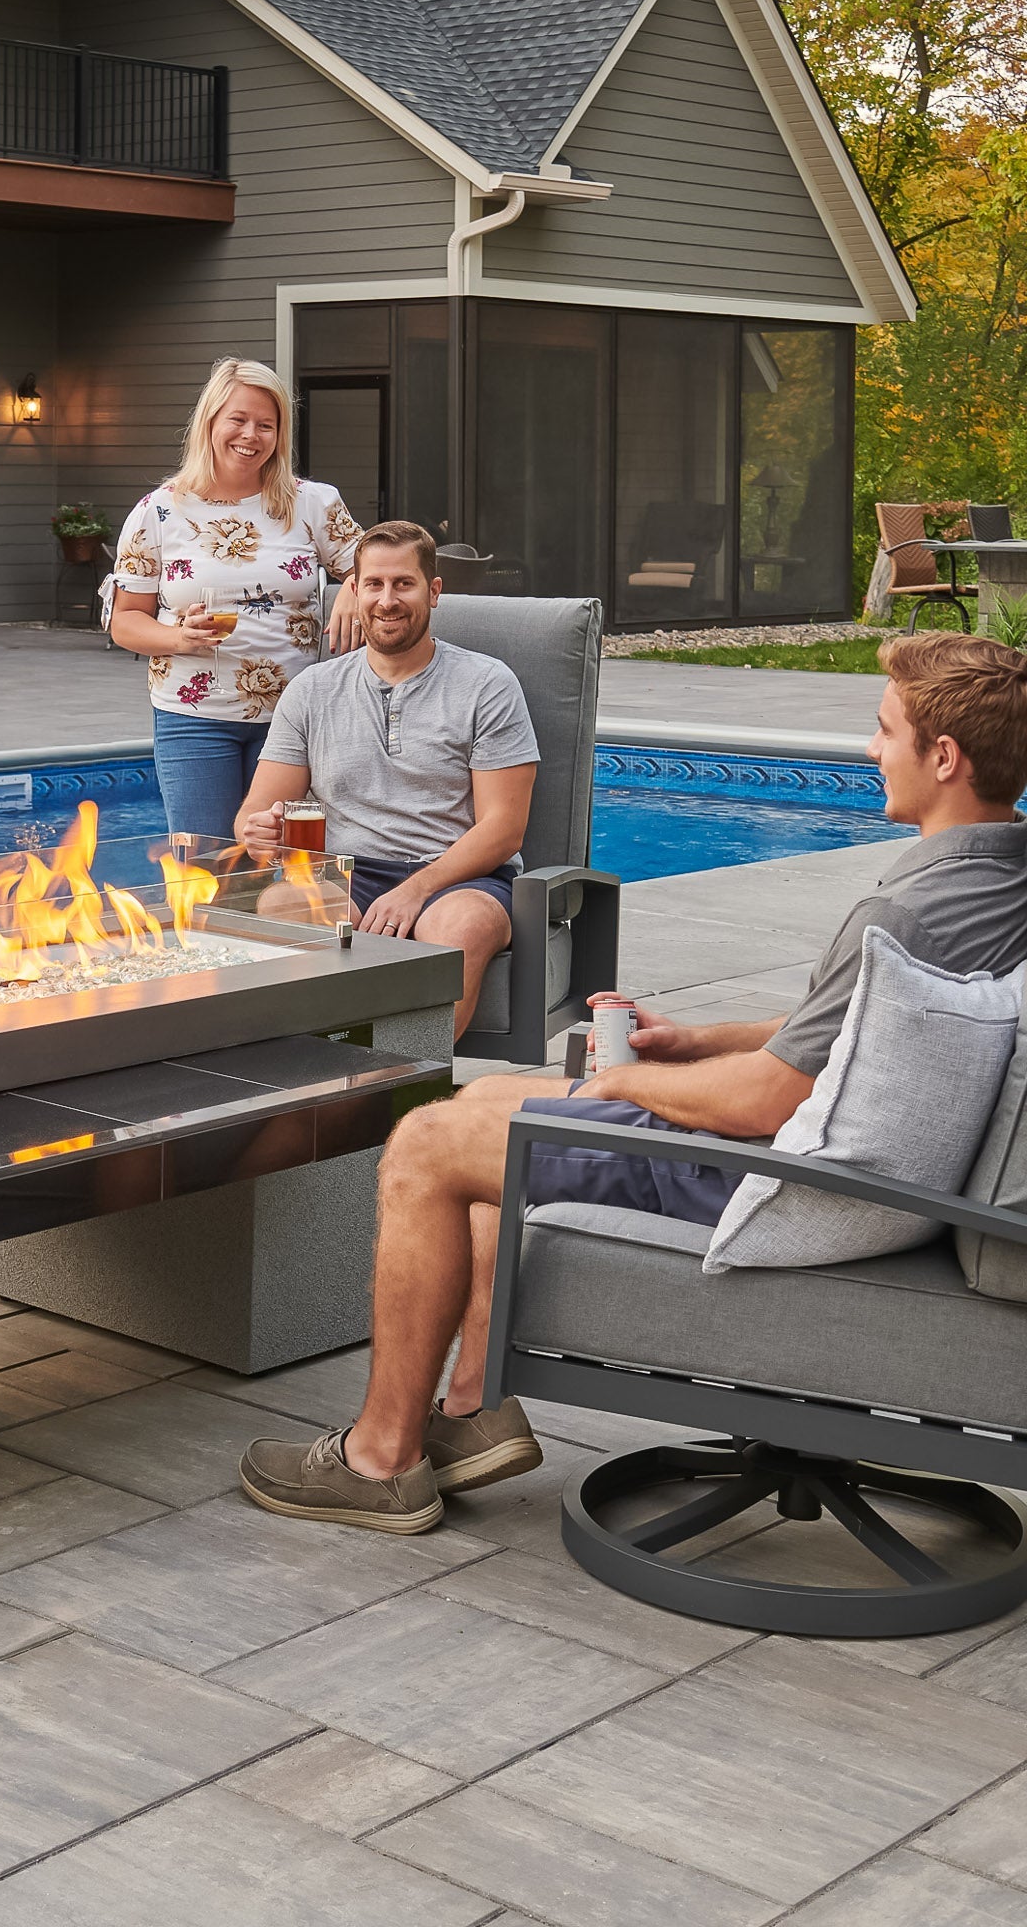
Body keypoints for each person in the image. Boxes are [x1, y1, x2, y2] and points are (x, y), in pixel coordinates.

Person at [239, 630, 1027, 1535]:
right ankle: (470, 1410)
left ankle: (379, 1459)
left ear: (944, 756)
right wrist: (695, 1041)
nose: (868, 748)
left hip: (794, 1187)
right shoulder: (1000, 874)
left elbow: (766, 1099)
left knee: (427, 1141)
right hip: (869, 1168)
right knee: (489, 1109)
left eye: (883, 730)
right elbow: (869, 1031)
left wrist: (632, 1090)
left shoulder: (904, 911)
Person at [235, 519, 538, 1039]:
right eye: (373, 584)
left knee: (459, 925)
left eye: (404, 584)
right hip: (344, 872)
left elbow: (504, 828)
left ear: (434, 591)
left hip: (459, 876)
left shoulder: (487, 685)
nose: (387, 600)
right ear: (354, 591)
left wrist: (416, 889)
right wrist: (258, 831)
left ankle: (400, 1088)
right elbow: (256, 813)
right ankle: (319, 1087)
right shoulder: (312, 690)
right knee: (284, 904)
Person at [107, 357, 365, 840]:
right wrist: (177, 637)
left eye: (266, 425)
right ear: (210, 422)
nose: (251, 435)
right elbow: (125, 621)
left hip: (295, 718)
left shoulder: (313, 502)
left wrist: (352, 584)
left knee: (286, 864)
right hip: (193, 719)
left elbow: (376, 567)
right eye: (239, 420)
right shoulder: (159, 510)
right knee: (204, 866)